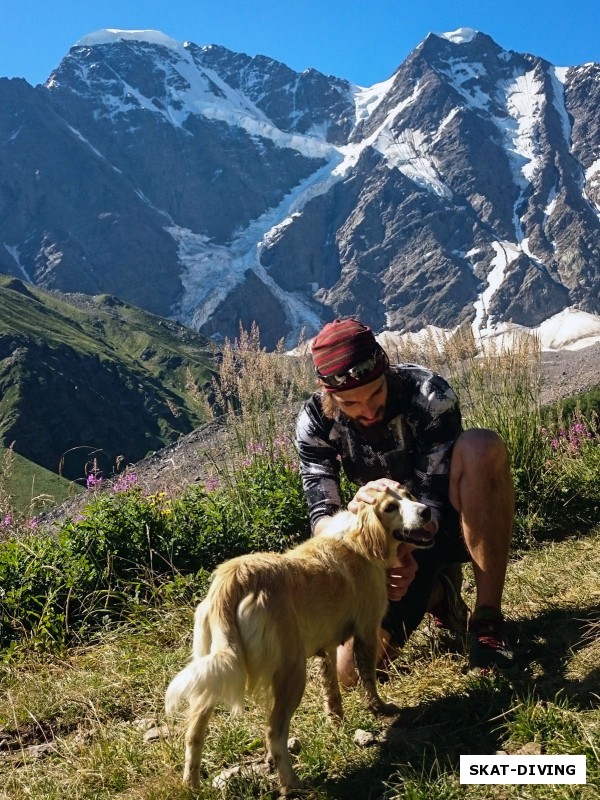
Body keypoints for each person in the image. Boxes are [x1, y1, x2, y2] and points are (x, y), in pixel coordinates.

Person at [295, 317, 516, 681]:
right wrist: (372, 557)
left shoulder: (429, 394)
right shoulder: (314, 422)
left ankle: (487, 621)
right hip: (381, 548)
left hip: (449, 524)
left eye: (375, 395)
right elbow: (322, 514)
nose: (366, 410)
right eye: (350, 403)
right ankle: (438, 596)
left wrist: (404, 552)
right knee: (348, 672)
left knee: (481, 447)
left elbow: (435, 498)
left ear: (386, 372)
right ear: (329, 397)